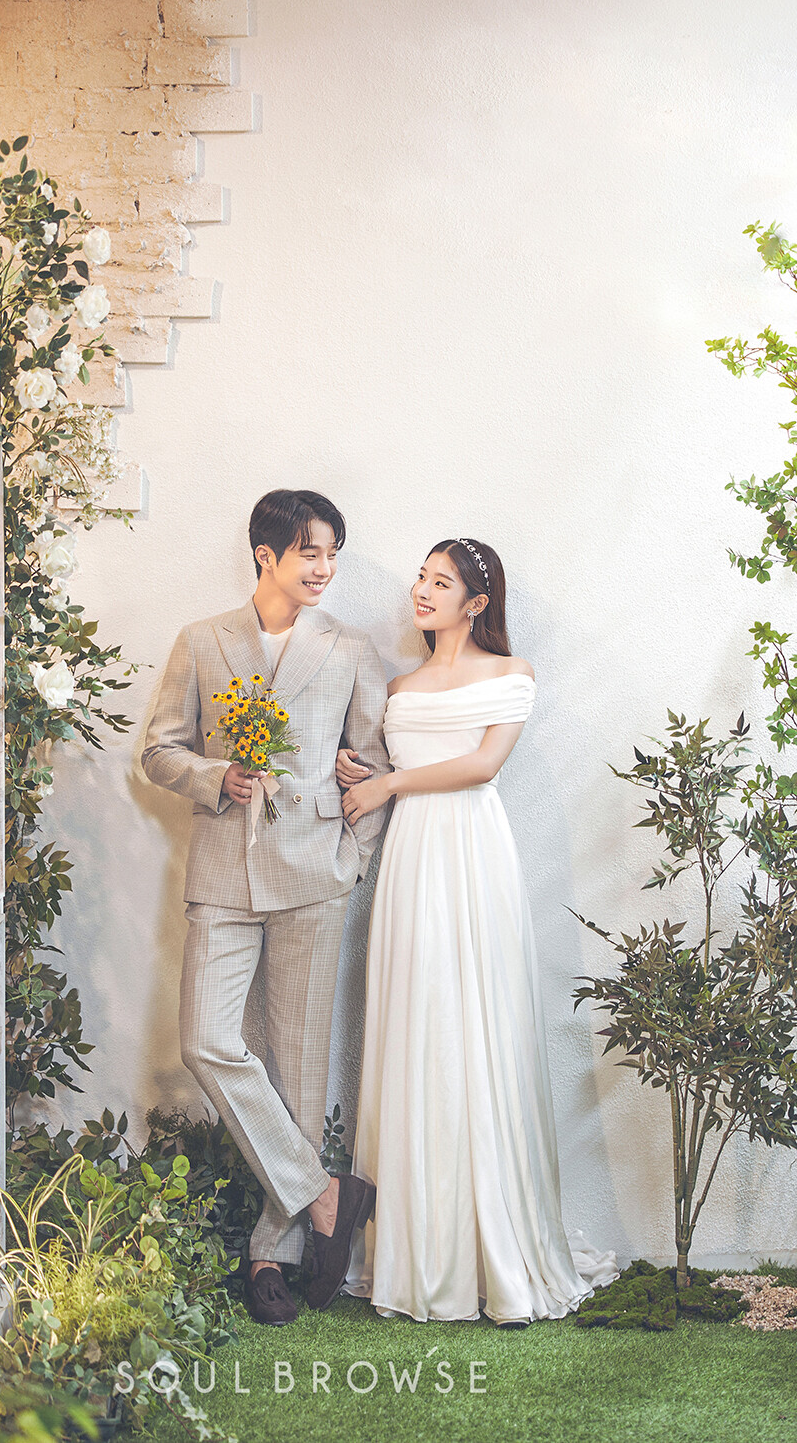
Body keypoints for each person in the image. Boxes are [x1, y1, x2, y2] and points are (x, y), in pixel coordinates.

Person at [336, 536, 618, 1325]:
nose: (422, 591)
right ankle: (419, 1251)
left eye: (440, 582)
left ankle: (493, 1249)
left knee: (475, 1026)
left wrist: (390, 781)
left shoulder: (511, 674)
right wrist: (360, 772)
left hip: (472, 855)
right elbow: (379, 765)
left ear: (477, 603)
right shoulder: (398, 686)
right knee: (417, 1027)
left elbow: (483, 765)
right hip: (410, 862)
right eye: (421, 578)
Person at [141, 489, 389, 1326]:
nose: (324, 569)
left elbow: (374, 765)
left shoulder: (350, 648)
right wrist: (217, 777)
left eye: (333, 554)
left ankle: (268, 1255)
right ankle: (324, 1193)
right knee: (207, 1041)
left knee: (298, 1067)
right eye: (310, 552)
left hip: (316, 873)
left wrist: (353, 856)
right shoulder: (201, 640)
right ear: (266, 555)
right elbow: (158, 751)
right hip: (223, 870)